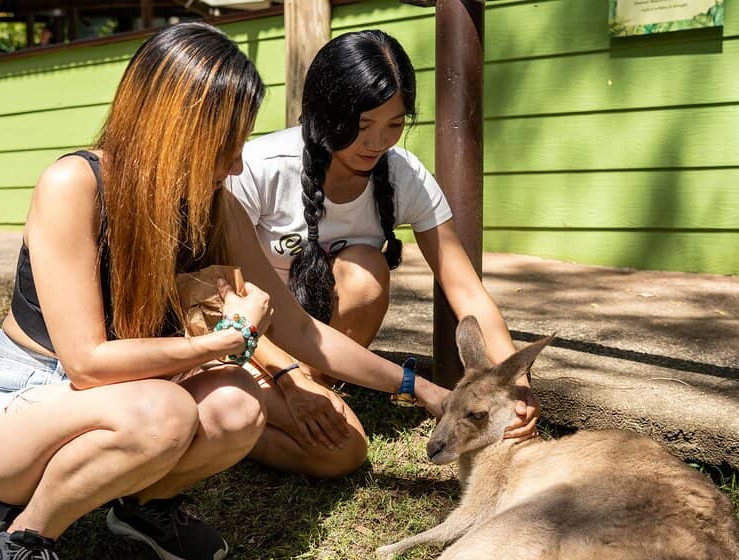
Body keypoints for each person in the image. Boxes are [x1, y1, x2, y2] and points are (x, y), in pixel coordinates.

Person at [0, 22, 448, 560]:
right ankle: (26, 534)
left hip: (130, 398)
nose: (237, 162)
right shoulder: (74, 184)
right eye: (224, 145)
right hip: (25, 403)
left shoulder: (212, 203)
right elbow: (85, 363)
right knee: (165, 410)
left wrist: (419, 388)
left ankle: (141, 504)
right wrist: (218, 343)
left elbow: (301, 330)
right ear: (171, 128)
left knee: (238, 406)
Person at [228, 30, 539, 475]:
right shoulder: (258, 168)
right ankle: (238, 414)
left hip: (317, 350)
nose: (377, 142)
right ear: (324, 113)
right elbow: (221, 298)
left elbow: (465, 288)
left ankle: (308, 394)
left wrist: (514, 380)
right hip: (251, 346)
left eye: (394, 124)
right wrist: (285, 375)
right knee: (343, 451)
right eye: (361, 125)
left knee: (365, 269)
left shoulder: (401, 174)